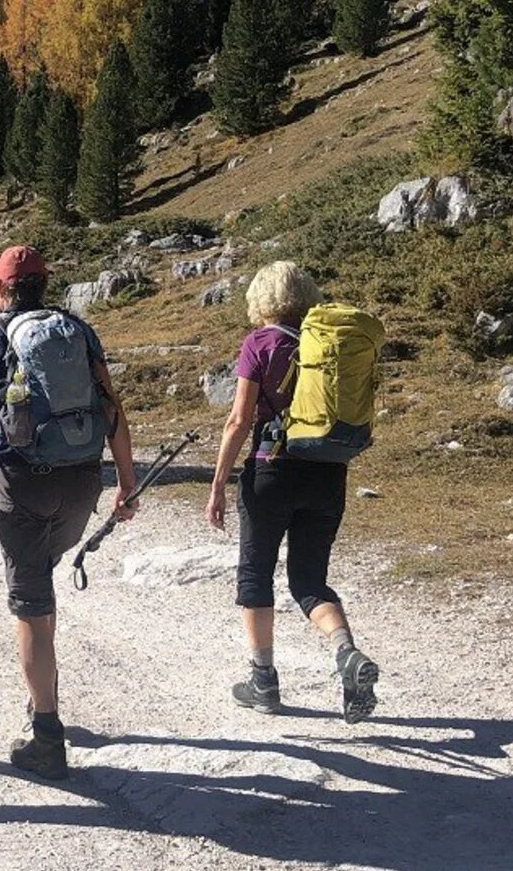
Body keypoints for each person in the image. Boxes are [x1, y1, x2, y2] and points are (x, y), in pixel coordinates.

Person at [0, 245, 138, 780]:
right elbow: (112, 408)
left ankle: (46, 736)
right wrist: (126, 481)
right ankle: (41, 700)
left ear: (2, 287)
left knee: (29, 600)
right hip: (82, 479)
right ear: (43, 283)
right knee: (43, 583)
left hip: (23, 480)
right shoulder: (78, 330)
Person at [204, 261, 379, 723]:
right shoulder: (326, 345)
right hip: (326, 474)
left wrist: (219, 482)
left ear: (262, 300)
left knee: (255, 575)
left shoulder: (260, 343)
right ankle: (346, 653)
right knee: (309, 580)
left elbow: (239, 420)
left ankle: (263, 681)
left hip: (271, 473)